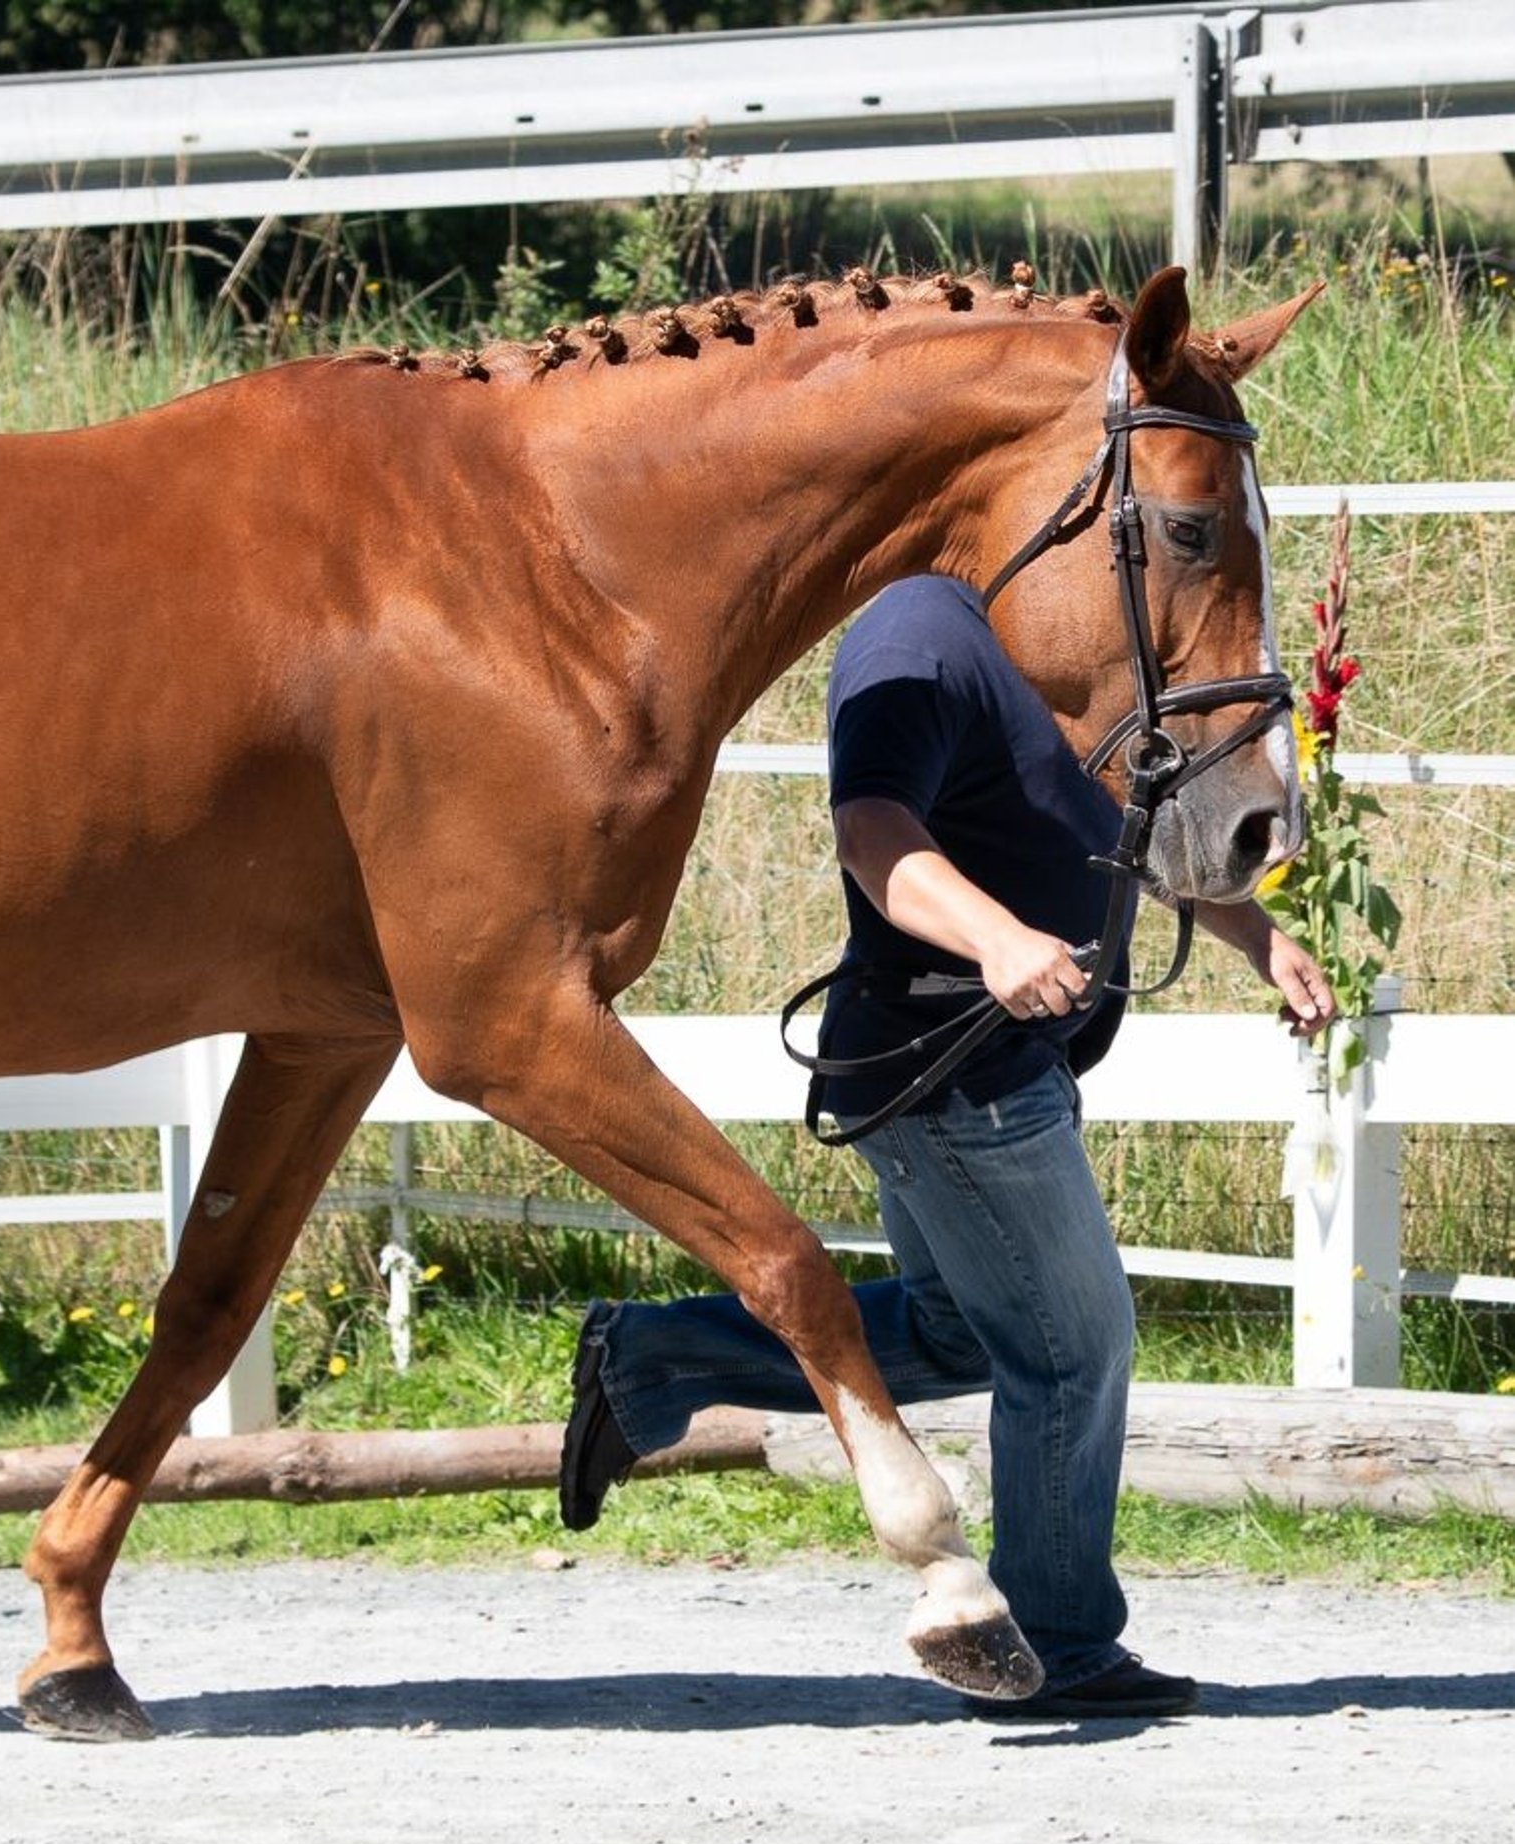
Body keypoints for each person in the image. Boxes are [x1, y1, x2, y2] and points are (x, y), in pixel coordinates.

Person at [558, 574, 1334, 1718]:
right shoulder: (913, 639)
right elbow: (875, 832)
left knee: (955, 1329)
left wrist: (1257, 938)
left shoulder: (1048, 648)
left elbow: (1118, 822)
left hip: (998, 1064)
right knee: (1074, 1348)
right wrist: (998, 938)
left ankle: (653, 1362)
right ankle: (1063, 1643)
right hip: (956, 1070)